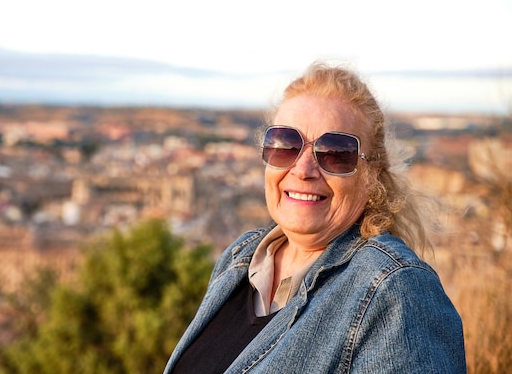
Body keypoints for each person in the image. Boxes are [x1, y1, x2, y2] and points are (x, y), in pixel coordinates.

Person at [164, 62, 466, 373]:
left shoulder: (397, 290)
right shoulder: (241, 257)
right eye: (285, 145)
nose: (303, 170)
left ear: (371, 174)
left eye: (336, 153)